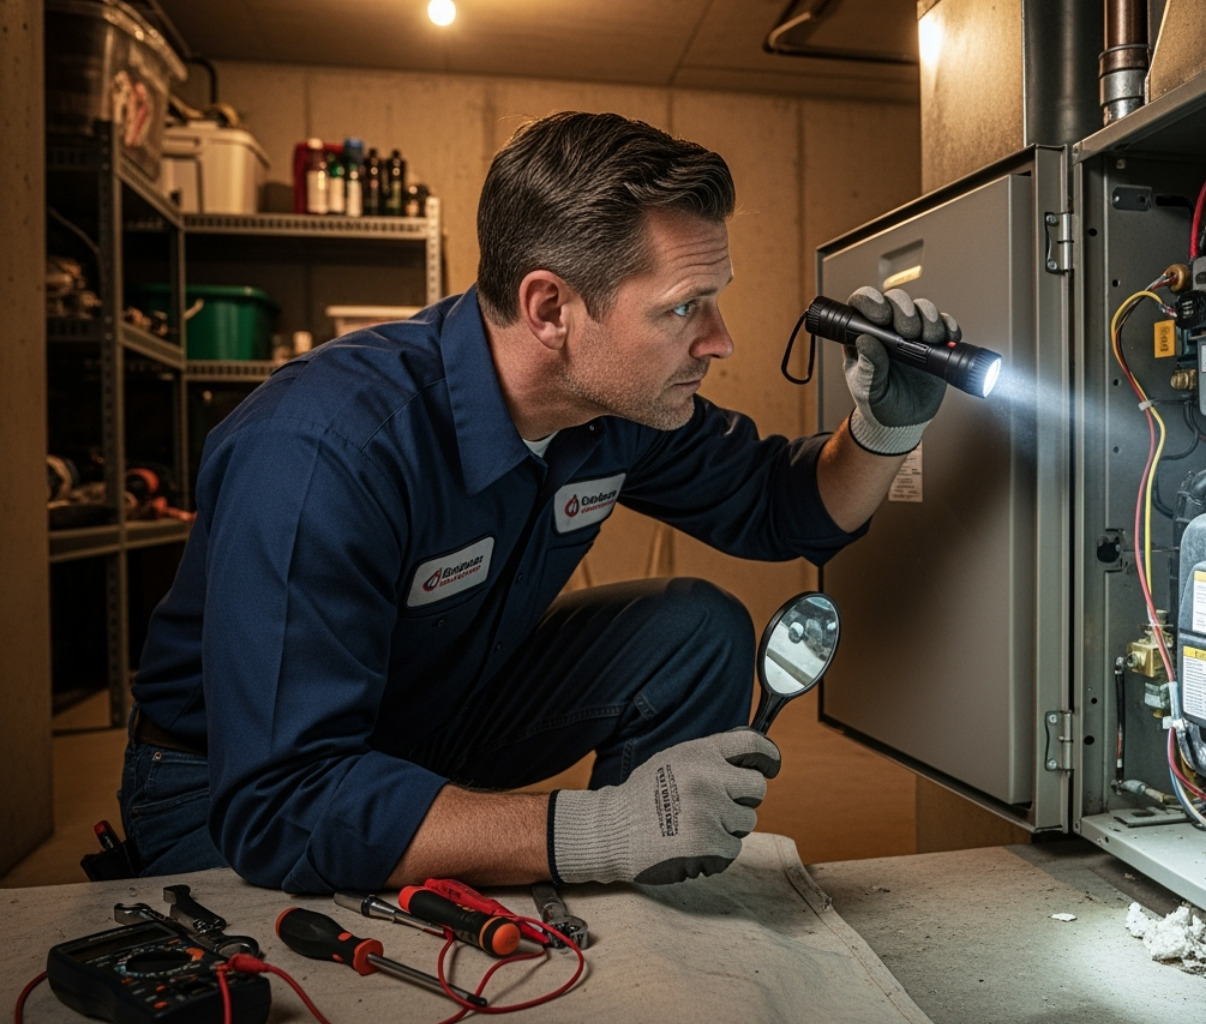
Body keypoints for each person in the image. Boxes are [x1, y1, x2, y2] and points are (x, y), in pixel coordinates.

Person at [122, 111, 960, 893]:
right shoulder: (323, 453)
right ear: (551, 308)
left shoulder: (610, 408)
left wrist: (884, 428)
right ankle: (625, 842)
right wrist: (589, 831)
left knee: (694, 628)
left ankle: (667, 899)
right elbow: (282, 803)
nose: (719, 340)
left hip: (427, 713)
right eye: (681, 309)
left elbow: (782, 507)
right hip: (230, 782)